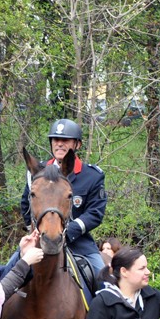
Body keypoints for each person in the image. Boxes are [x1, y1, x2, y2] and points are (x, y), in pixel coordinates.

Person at [21, 118, 107, 276]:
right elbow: (26, 205)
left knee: (103, 278)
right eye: (56, 140)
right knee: (7, 274)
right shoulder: (37, 172)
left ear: (77, 144)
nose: (59, 144)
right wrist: (35, 232)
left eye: (65, 140)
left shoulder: (92, 176)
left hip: (78, 243)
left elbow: (95, 213)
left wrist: (68, 231)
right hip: (40, 240)